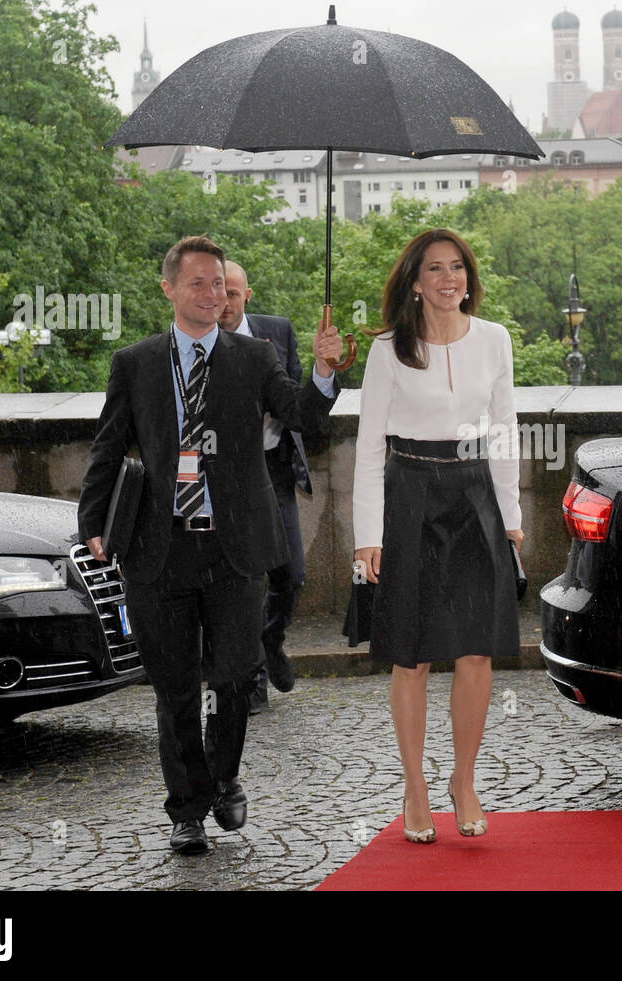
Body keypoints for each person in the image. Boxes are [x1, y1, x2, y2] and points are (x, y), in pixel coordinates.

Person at [78, 236, 342, 855]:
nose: (211, 294)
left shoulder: (253, 357)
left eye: (218, 283)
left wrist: (326, 372)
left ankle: (224, 777)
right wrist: (92, 520)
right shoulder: (135, 363)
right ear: (169, 288)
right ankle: (187, 810)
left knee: (232, 678)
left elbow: (303, 414)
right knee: (174, 689)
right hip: (159, 548)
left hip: (235, 549)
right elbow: (107, 448)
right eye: (197, 283)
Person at [352, 228, 522, 844]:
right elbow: (370, 445)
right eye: (434, 269)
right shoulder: (387, 350)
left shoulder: (495, 339)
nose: (448, 279)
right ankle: (415, 785)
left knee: (477, 648)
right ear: (415, 282)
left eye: (457, 268)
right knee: (413, 654)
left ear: (468, 278)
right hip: (410, 497)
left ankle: (465, 780)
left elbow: (504, 429)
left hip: (475, 495)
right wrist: (366, 534)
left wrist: (509, 516)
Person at [217, 260, 310, 713]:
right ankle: (252, 680)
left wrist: (327, 373)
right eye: (219, 292)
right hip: (228, 478)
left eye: (233, 292)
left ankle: (271, 641)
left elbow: (296, 403)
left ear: (247, 294)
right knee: (244, 582)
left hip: (274, 469)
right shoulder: (198, 341)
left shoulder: (278, 332)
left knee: (290, 575)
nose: (225, 302)